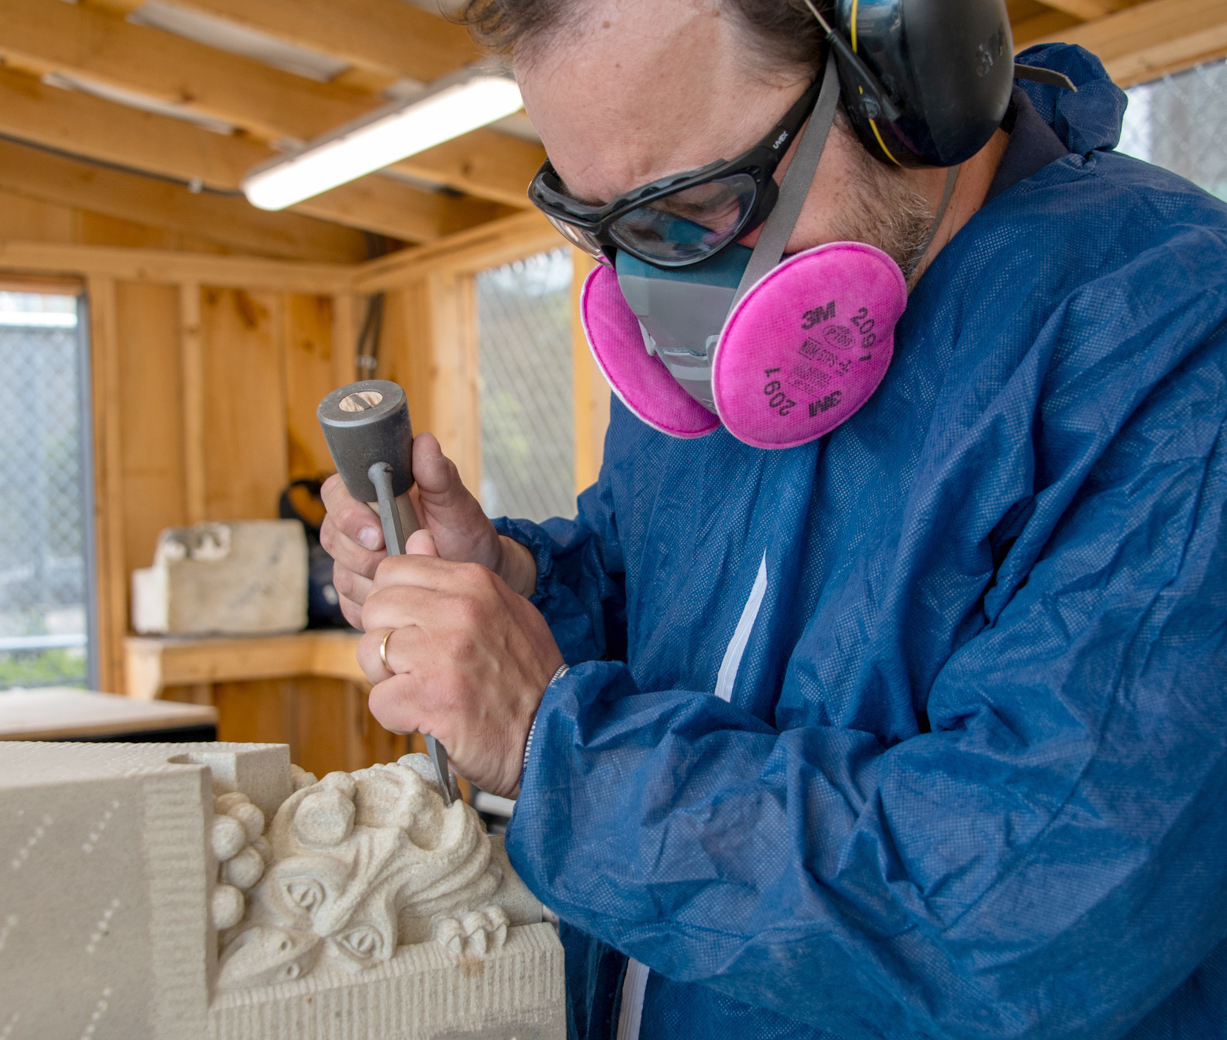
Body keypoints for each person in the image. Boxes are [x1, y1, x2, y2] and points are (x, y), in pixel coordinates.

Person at [320, 0, 1227, 1036]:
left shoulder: (1168, 338)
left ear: (906, 83)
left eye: (699, 206)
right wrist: (517, 589)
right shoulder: (709, 353)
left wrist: (554, 747)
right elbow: (660, 609)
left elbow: (1032, 905)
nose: (666, 293)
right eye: (606, 226)